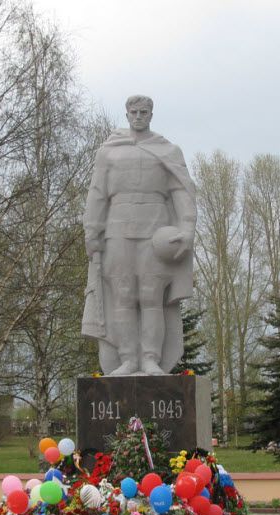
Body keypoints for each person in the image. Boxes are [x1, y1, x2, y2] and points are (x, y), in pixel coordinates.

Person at [82, 95, 197, 376]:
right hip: (117, 230)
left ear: (151, 115)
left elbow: (181, 191)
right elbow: (97, 193)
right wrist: (92, 231)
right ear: (127, 114)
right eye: (134, 112)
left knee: (151, 297)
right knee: (123, 296)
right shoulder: (109, 152)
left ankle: (150, 359)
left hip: (155, 231)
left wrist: (187, 228)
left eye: (144, 112)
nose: (138, 116)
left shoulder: (167, 150)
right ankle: (128, 359)